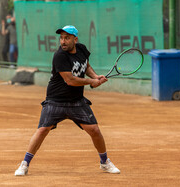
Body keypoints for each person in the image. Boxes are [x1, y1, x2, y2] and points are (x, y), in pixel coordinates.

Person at [14, 25, 120, 176]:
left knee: (95, 130)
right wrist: (91, 82)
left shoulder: (82, 49)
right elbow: (70, 80)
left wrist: (95, 77)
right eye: (61, 38)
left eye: (67, 38)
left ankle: (105, 162)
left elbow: (86, 66)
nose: (63, 41)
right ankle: (24, 164)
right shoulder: (60, 56)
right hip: (55, 100)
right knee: (43, 130)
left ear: (75, 39)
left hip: (76, 101)